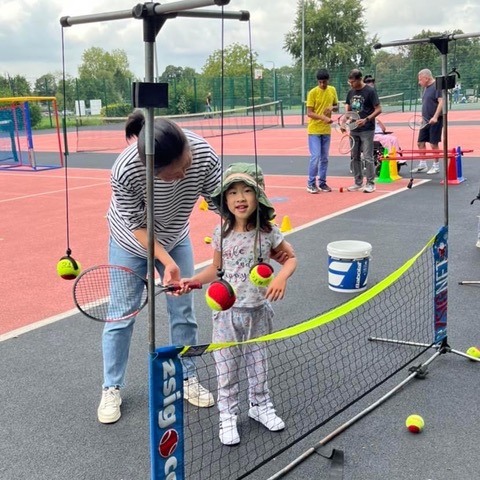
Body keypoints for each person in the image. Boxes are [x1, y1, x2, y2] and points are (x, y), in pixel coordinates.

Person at [97, 110, 222, 424]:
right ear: (150, 169)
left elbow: (224, 203)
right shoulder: (125, 170)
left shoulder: (204, 155)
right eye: (172, 174)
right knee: (122, 314)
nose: (181, 176)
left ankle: (187, 376)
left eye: (184, 166)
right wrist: (166, 262)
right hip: (130, 240)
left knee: (183, 310)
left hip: (175, 234)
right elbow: (138, 227)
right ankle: (111, 387)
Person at [182, 162, 297, 446]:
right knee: (226, 368)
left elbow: (291, 258)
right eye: (232, 192)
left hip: (257, 311)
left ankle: (260, 406)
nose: (240, 198)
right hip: (226, 315)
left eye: (247, 191)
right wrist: (194, 281)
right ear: (225, 200)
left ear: (259, 196)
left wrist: (281, 277)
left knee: (258, 365)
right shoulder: (220, 233)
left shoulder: (268, 232)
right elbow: (215, 270)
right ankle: (228, 414)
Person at [345, 69, 382, 193]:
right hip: (354, 129)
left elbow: (378, 109)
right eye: (349, 82)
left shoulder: (370, 91)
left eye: (352, 82)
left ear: (359, 79)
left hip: (367, 129)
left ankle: (371, 183)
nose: (351, 84)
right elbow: (349, 111)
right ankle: (357, 182)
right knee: (355, 156)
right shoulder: (350, 92)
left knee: (368, 156)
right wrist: (345, 122)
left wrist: (366, 119)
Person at [305, 68, 338, 193]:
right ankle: (311, 183)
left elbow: (336, 107)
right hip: (314, 129)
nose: (322, 84)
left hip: (326, 130)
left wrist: (332, 108)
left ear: (328, 81)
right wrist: (323, 117)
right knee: (316, 156)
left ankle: (323, 183)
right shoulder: (312, 93)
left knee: (325, 158)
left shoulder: (332, 90)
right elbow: (309, 113)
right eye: (320, 82)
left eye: (324, 82)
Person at [411, 69, 443, 175]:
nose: (419, 82)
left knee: (433, 144)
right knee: (420, 143)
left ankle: (436, 166)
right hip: (425, 121)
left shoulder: (437, 86)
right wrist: (423, 118)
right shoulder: (425, 88)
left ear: (426, 78)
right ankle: (423, 164)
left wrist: (435, 117)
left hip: (435, 120)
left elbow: (441, 102)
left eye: (420, 80)